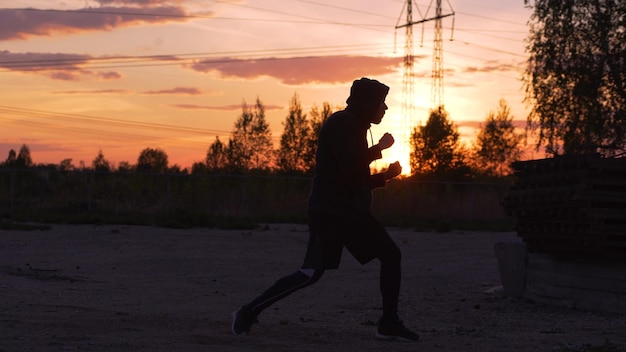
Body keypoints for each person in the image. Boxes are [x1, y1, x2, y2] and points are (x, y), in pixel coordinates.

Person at [231, 77, 419, 341]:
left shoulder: (357, 126)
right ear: (367, 104)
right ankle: (248, 311)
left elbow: (353, 180)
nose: (385, 108)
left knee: (391, 255)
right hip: (330, 214)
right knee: (310, 274)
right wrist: (379, 150)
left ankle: (388, 322)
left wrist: (386, 176)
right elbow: (347, 166)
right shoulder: (341, 124)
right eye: (381, 103)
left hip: (351, 213)